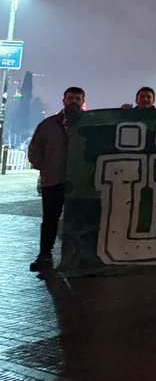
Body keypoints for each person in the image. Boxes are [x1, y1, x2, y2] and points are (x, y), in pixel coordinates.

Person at [28, 86, 85, 272]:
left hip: (80, 183)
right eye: (71, 98)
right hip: (53, 179)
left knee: (78, 220)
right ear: (64, 100)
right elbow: (35, 147)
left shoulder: (89, 125)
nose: (74, 102)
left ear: (82, 102)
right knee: (50, 220)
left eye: (77, 99)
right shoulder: (49, 124)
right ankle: (45, 255)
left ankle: (78, 257)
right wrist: (43, 166)